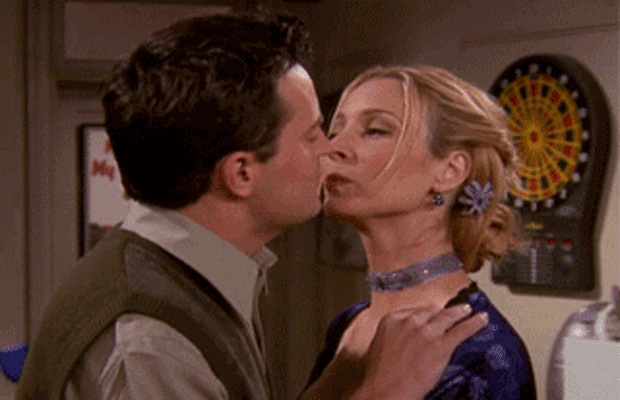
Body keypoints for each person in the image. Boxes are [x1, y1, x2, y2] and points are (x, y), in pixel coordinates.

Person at [15, 10, 488, 400]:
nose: (330, 149)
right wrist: (381, 395)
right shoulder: (151, 345)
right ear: (241, 173)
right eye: (312, 135)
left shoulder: (198, 278)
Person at [306, 65, 537, 399]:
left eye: (375, 130)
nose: (332, 148)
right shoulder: (347, 326)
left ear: (449, 171)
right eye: (336, 129)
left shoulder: (483, 353)